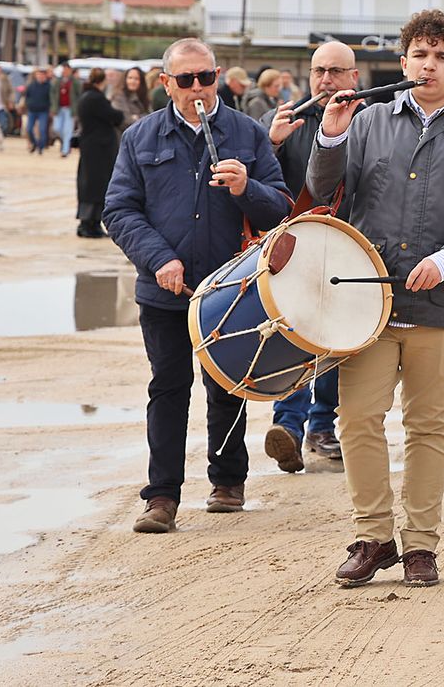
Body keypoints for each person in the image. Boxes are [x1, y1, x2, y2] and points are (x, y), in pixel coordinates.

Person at [309, 9, 444, 588]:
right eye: (420, 55)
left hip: (441, 302)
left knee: (429, 425)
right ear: (403, 63)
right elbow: (325, 190)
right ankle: (373, 537)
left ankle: (421, 547)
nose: (430, 66)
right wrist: (330, 134)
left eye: (443, 57)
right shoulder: (370, 119)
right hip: (368, 304)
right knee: (357, 419)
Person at [104, 38, 291, 534]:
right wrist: (159, 259)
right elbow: (118, 210)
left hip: (230, 291)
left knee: (227, 385)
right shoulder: (140, 137)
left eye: (205, 77)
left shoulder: (247, 133)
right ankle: (161, 496)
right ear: (166, 83)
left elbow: (281, 207)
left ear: (218, 75)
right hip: (165, 290)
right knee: (168, 387)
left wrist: (247, 188)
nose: (197, 89)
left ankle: (228, 482)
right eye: (185, 80)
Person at [258, 40, 360, 472]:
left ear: (354, 77)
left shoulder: (371, 120)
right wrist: (271, 143)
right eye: (319, 71)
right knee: (292, 333)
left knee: (336, 339)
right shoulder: (282, 119)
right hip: (294, 246)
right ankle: (289, 428)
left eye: (335, 71)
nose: (325, 80)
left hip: (350, 246)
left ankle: (322, 426)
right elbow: (258, 178)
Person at [76, 68, 124, 238]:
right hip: (99, 147)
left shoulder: (86, 96)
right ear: (102, 81)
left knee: (89, 184)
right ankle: (90, 223)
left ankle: (89, 222)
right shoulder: (95, 98)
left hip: (91, 145)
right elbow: (114, 116)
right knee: (96, 186)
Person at [22, 67, 52, 153]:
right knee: (29, 129)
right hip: (32, 110)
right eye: (39, 74)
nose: (41, 76)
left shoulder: (48, 86)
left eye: (42, 75)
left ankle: (41, 147)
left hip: (43, 111)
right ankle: (34, 143)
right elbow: (26, 96)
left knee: (42, 130)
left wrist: (50, 109)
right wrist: (27, 104)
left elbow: (51, 99)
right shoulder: (31, 85)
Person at [114, 66, 152, 131]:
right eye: (130, 78)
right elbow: (125, 120)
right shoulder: (118, 97)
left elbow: (151, 117)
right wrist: (141, 118)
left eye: (136, 79)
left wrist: (138, 117)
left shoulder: (144, 97)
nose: (133, 81)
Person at [54, 61, 79, 157]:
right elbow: (53, 94)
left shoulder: (75, 82)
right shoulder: (58, 81)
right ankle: (64, 142)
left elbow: (79, 94)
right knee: (57, 128)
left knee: (67, 130)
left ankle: (65, 150)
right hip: (59, 108)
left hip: (70, 109)